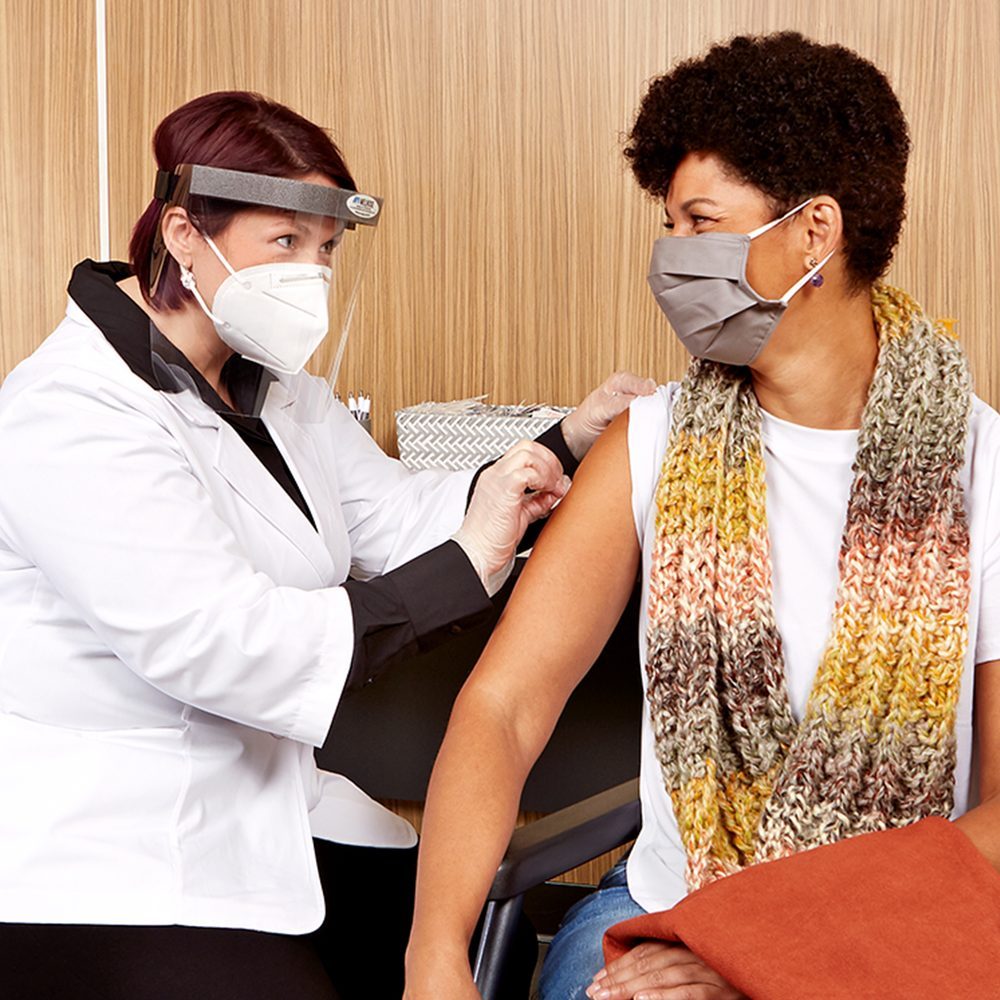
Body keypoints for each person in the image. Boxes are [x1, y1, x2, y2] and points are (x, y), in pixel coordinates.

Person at [0, 91, 655, 1000]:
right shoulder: (71, 411)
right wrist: (461, 568)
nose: (311, 273)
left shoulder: (277, 391)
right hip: (116, 845)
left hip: (268, 801)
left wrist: (565, 445)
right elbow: (223, 643)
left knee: (456, 937)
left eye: (327, 249)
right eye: (285, 242)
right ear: (184, 235)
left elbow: (394, 517)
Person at [403, 31, 1000, 1000]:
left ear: (815, 231)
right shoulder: (648, 444)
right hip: (668, 909)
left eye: (701, 223)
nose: (671, 257)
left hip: (894, 933)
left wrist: (756, 951)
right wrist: (433, 954)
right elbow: (503, 709)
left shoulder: (985, 467)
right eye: (668, 225)